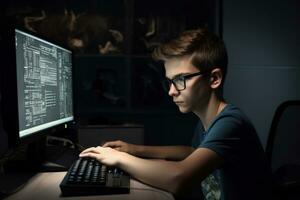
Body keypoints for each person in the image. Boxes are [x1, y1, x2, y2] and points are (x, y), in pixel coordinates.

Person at [79, 28, 272, 200]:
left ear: (214, 79)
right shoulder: (208, 120)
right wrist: (135, 149)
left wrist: (119, 159)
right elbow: (194, 153)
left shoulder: (231, 123)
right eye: (170, 81)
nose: (171, 91)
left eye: (180, 79)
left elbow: (179, 178)